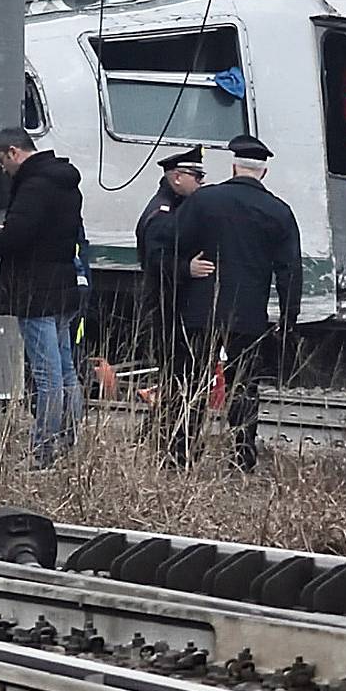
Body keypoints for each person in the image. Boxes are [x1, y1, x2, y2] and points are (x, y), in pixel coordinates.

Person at [172, 134, 303, 470]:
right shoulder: (278, 212)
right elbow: (290, 270)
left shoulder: (203, 201)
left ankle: (182, 453)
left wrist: (184, 272)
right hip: (248, 315)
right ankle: (242, 456)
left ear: (234, 166)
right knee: (244, 385)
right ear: (264, 172)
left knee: (193, 381)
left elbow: (172, 243)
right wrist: (289, 317)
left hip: (201, 310)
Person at [0, 129, 86, 466]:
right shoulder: (66, 181)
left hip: (34, 290)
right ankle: (69, 441)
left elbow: (18, 238)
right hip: (63, 285)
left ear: (13, 152)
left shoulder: (33, 186)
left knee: (47, 374)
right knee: (66, 370)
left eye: (1, 161)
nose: (3, 169)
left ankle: (43, 451)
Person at [136, 146, 204, 459]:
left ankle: (157, 435)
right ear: (177, 177)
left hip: (172, 303)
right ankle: (169, 441)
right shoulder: (162, 214)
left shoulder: (173, 207)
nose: (201, 182)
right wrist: (185, 269)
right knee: (177, 376)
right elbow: (156, 260)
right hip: (168, 306)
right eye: (197, 176)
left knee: (176, 377)